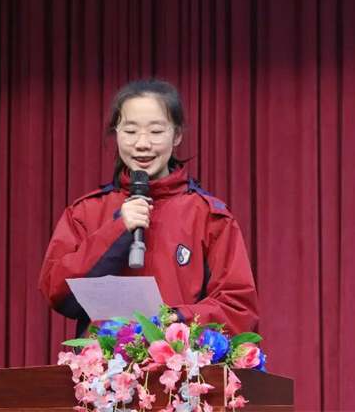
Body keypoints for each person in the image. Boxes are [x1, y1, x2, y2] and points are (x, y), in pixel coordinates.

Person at [38, 79, 259, 338]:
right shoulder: (85, 212)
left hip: (181, 360)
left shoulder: (209, 216)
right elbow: (56, 292)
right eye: (130, 131)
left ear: (177, 135)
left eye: (156, 131)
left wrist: (176, 319)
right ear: (116, 134)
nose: (142, 143)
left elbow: (238, 307)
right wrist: (117, 229)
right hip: (102, 361)